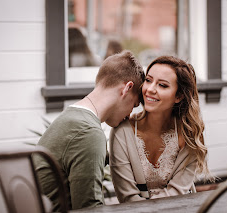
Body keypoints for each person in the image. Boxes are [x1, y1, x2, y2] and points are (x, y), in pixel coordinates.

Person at [34, 50, 145, 211]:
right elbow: (89, 209)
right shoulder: (88, 132)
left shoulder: (71, 117)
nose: (129, 115)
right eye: (133, 105)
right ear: (127, 88)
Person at [109, 55, 214, 203]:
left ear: (178, 96)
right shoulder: (122, 132)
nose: (150, 89)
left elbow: (177, 192)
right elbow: (127, 197)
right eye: (148, 80)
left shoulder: (190, 134)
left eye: (162, 85)